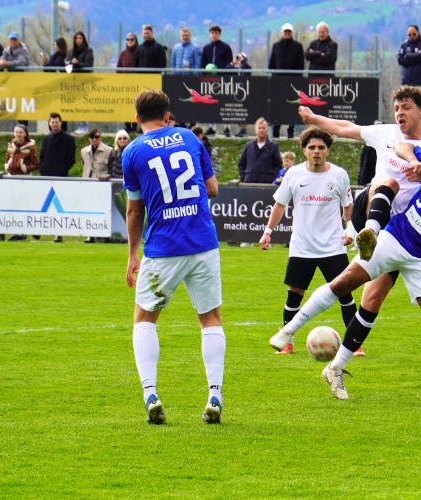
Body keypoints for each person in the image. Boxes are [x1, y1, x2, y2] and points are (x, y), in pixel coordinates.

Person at [271, 131, 421, 404]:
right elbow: (401, 145)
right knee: (345, 282)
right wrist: (412, 157)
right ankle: (289, 330)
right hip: (395, 238)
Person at [280, 86, 421, 361]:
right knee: (388, 182)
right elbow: (345, 127)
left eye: (405, 107)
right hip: (370, 210)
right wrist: (314, 118)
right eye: (396, 108)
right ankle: (369, 231)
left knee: (371, 300)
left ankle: (336, 365)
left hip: (400, 233)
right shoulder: (385, 133)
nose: (399, 113)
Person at [122, 89, 225, 425]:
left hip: (163, 248)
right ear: (168, 116)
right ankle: (214, 393)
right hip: (203, 242)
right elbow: (212, 189)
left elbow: (135, 211)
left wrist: (132, 254)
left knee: (144, 318)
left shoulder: (133, 151)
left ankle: (150, 392)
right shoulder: (189, 138)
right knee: (210, 318)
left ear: (138, 119)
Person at [259, 127, 356, 354]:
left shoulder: (339, 175)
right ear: (304, 150)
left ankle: (355, 344)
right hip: (302, 247)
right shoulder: (293, 174)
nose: (316, 151)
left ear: (328, 151)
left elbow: (347, 205)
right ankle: (287, 343)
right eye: (312, 147)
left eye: (321, 148)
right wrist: (267, 231)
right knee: (294, 294)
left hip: (333, 246)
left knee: (345, 293)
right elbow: (280, 204)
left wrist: (349, 228)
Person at [268, 23, 305, 139]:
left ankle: (291, 131)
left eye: (289, 31)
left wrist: (295, 79)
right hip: (278, 82)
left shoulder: (298, 46)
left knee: (292, 107)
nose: (287, 33)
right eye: (285, 31)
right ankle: (276, 131)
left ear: (292, 32)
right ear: (281, 32)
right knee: (278, 106)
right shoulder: (276, 46)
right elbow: (271, 64)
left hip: (292, 83)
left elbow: (301, 65)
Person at [201, 24, 238, 137]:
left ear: (219, 34)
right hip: (210, 80)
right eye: (212, 33)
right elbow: (203, 64)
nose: (214, 35)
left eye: (216, 33)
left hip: (223, 80)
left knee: (225, 103)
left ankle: (227, 128)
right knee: (212, 103)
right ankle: (213, 128)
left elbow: (229, 64)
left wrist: (225, 74)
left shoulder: (226, 47)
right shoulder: (206, 48)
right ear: (209, 34)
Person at [237, 118, 282, 183]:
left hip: (267, 184)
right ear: (255, 130)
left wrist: (272, 178)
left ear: (267, 130)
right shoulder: (248, 146)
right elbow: (241, 164)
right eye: (259, 128)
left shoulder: (273, 146)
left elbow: (278, 165)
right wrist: (244, 177)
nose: (261, 130)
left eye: (263, 128)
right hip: (249, 183)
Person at [398, 25, 421, 90]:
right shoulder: (404, 45)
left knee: (419, 100)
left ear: (418, 33)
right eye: (409, 35)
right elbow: (400, 60)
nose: (411, 36)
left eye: (414, 34)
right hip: (406, 82)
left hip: (420, 83)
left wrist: (407, 55)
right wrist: (416, 57)